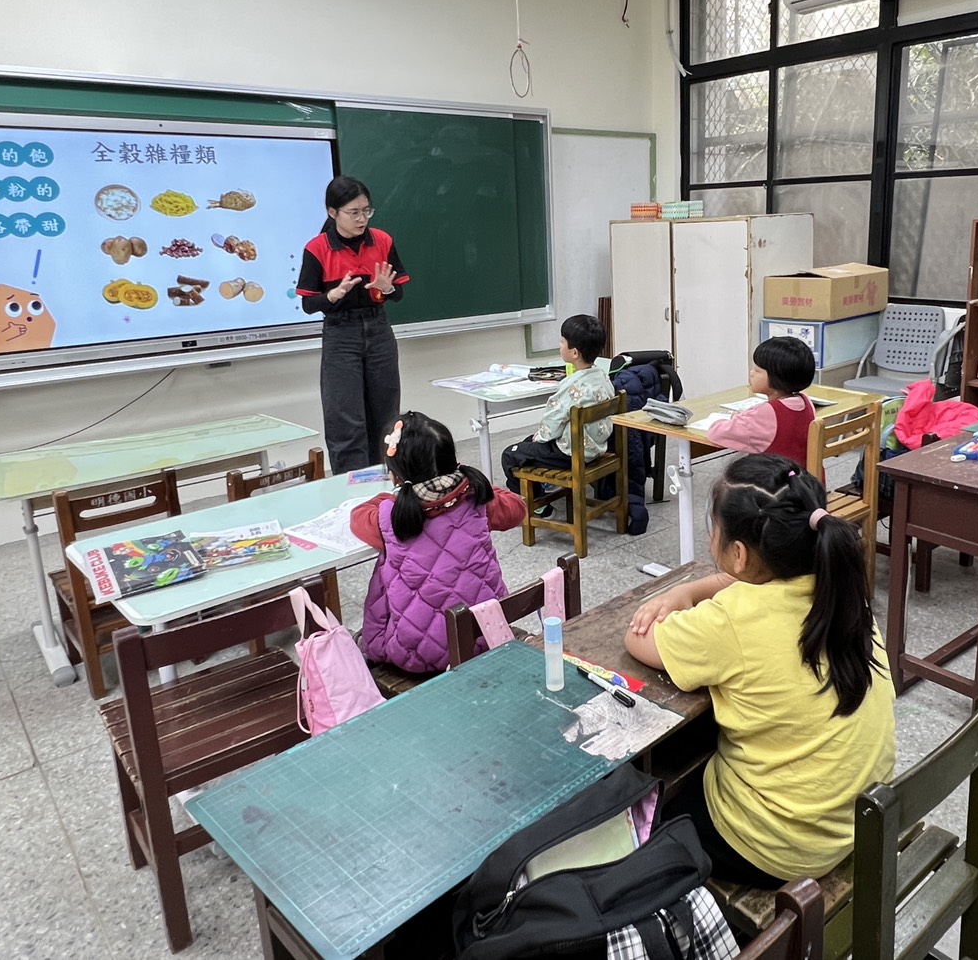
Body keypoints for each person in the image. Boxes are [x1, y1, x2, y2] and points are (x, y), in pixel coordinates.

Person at [625, 454, 896, 886]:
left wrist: (678, 596)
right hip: (852, 820)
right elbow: (748, 586)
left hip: (776, 846)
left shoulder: (734, 618)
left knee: (654, 811)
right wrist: (692, 588)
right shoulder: (839, 590)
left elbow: (637, 640)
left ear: (737, 553)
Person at [350, 411, 526, 674]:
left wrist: (387, 498)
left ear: (395, 475)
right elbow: (517, 509)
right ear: (452, 460)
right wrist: (477, 484)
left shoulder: (391, 515)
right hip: (488, 633)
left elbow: (357, 518)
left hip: (416, 656)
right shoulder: (474, 498)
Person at [297, 176, 410, 473]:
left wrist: (386, 288)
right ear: (333, 213)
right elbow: (309, 304)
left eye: (366, 211)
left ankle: (388, 483)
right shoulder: (317, 249)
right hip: (340, 334)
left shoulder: (382, 241)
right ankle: (353, 493)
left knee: (386, 415)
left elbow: (398, 294)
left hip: (379, 330)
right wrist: (332, 295)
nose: (362, 219)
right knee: (346, 419)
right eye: (354, 212)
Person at [500, 314, 614, 508]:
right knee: (527, 444)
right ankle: (542, 488)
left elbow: (551, 425)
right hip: (596, 447)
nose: (560, 345)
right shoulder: (602, 376)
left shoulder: (571, 386)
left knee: (511, 454)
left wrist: (539, 437)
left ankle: (538, 505)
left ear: (575, 352)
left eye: (562, 342)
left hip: (570, 453)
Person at [706, 336, 818, 468]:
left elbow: (716, 433)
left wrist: (723, 421)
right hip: (806, 482)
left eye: (758, 371)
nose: (752, 373)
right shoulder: (805, 401)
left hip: (777, 484)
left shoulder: (767, 413)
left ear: (777, 377)